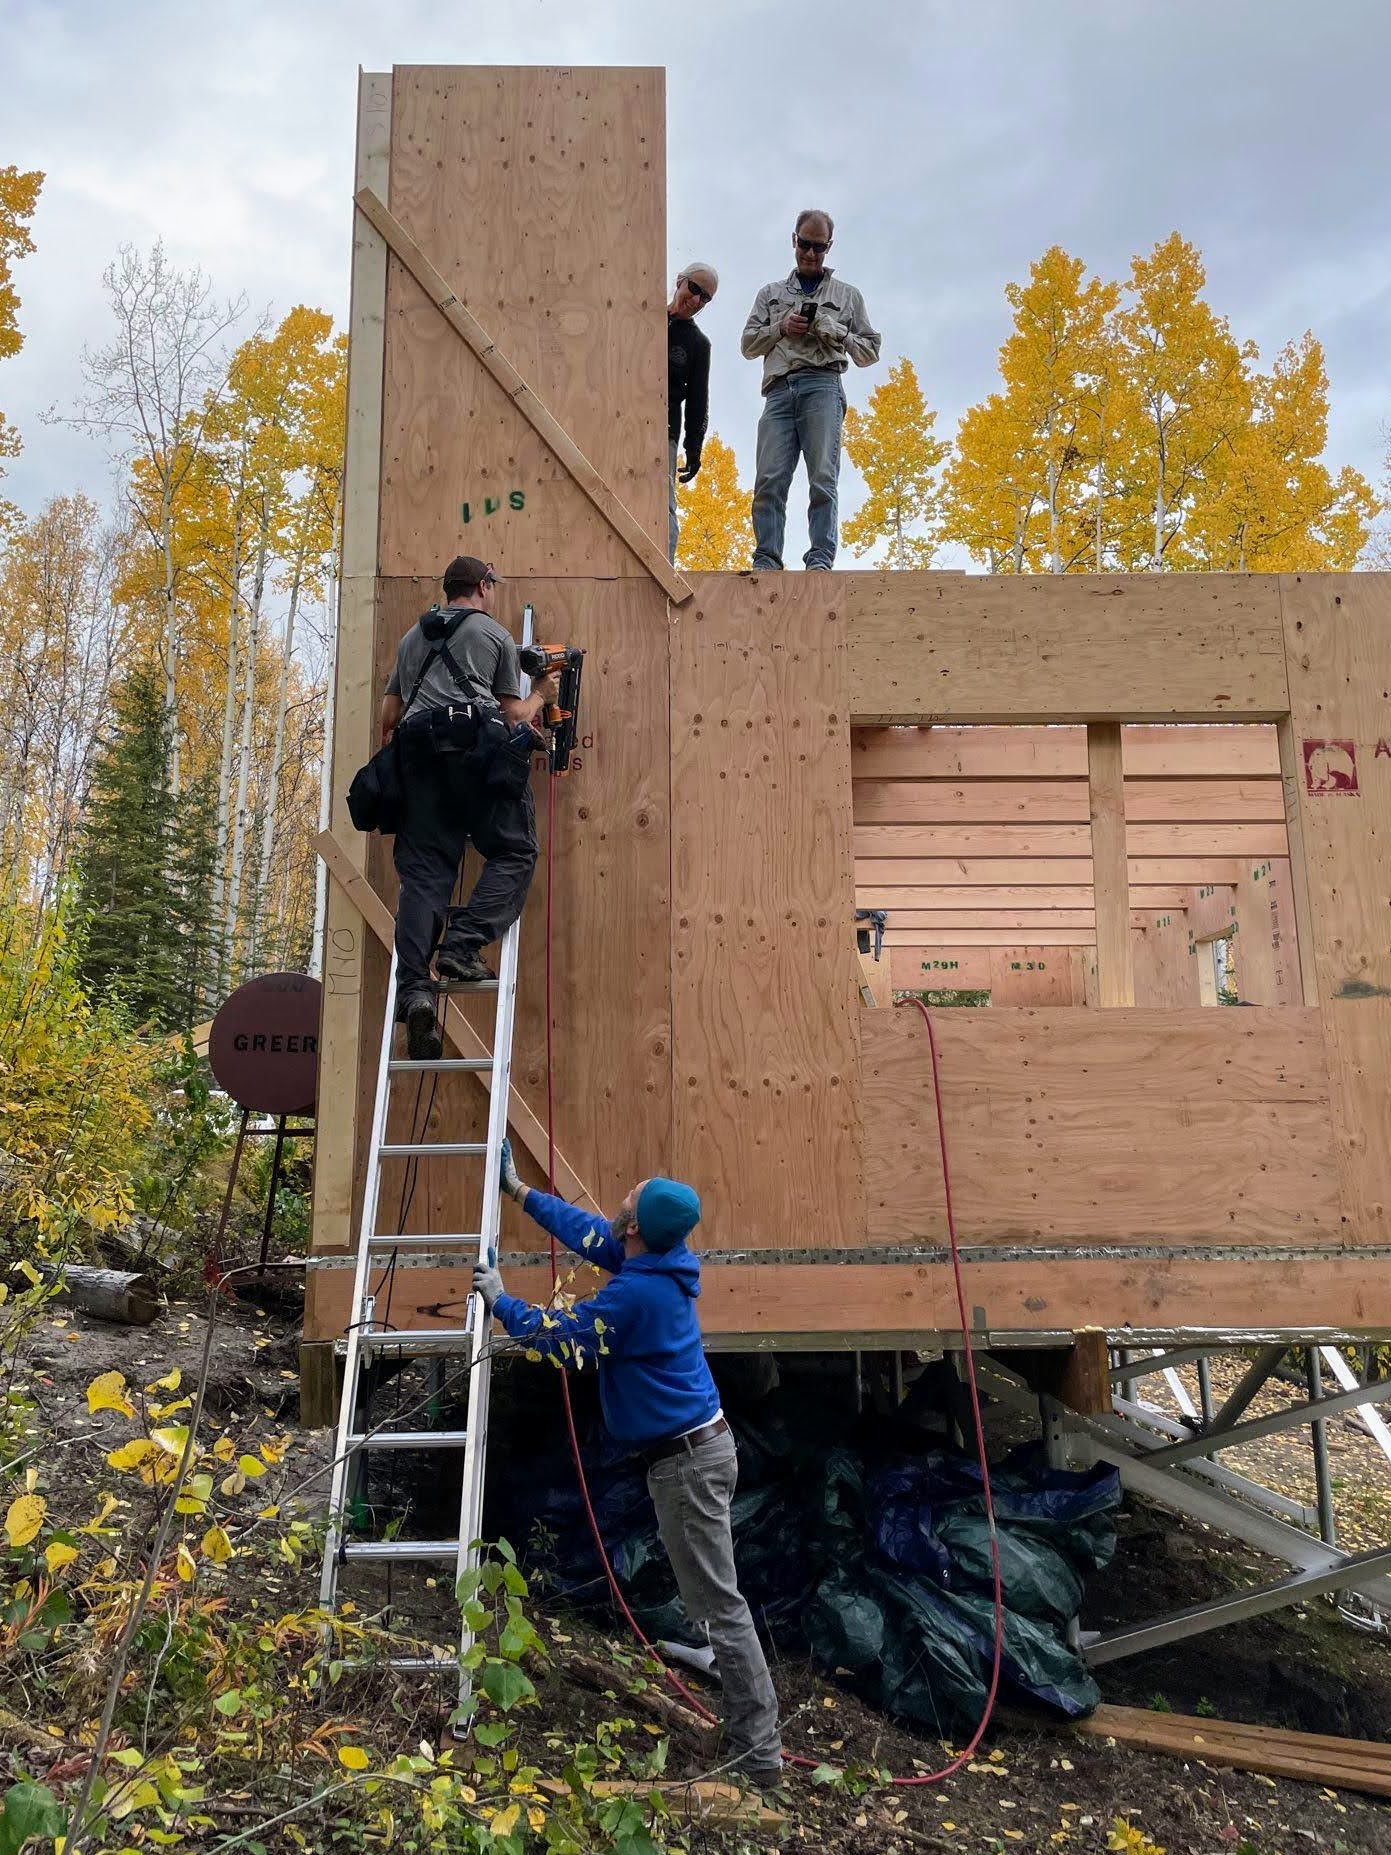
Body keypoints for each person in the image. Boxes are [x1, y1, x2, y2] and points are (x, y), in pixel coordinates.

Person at [472, 1145, 784, 1790]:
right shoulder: (657, 1262)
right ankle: (738, 1713)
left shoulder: (635, 1297)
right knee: (714, 1600)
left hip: (688, 1464)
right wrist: (519, 1192)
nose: (622, 1198)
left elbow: (560, 1340)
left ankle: (758, 1759)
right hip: (696, 1452)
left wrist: (501, 1301)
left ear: (636, 1227)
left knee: (722, 1608)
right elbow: (591, 1233)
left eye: (630, 1199)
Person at [379, 555, 560, 1060]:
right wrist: (543, 694)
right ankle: (461, 947)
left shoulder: (412, 640)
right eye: (492, 587)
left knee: (424, 879)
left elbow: (389, 717)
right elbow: (511, 714)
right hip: (474, 757)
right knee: (514, 850)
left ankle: (416, 991)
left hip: (417, 763)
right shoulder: (493, 635)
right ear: (482, 587)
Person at [741, 210, 881, 572]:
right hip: (778, 392)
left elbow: (870, 352)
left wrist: (834, 329)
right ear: (794, 241)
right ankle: (767, 560)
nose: (811, 254)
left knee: (822, 477)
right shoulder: (770, 294)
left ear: (829, 247)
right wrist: (781, 327)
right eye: (805, 244)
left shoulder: (847, 296)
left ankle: (820, 560)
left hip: (823, 386)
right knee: (769, 478)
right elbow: (748, 345)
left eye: (819, 247)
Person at [668, 264, 717, 562]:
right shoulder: (641, 315)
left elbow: (698, 401)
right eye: (695, 289)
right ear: (679, 281)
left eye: (706, 298)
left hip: (664, 429)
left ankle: (664, 572)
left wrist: (693, 448)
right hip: (618, 423)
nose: (697, 301)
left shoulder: (699, 344)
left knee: (662, 504)